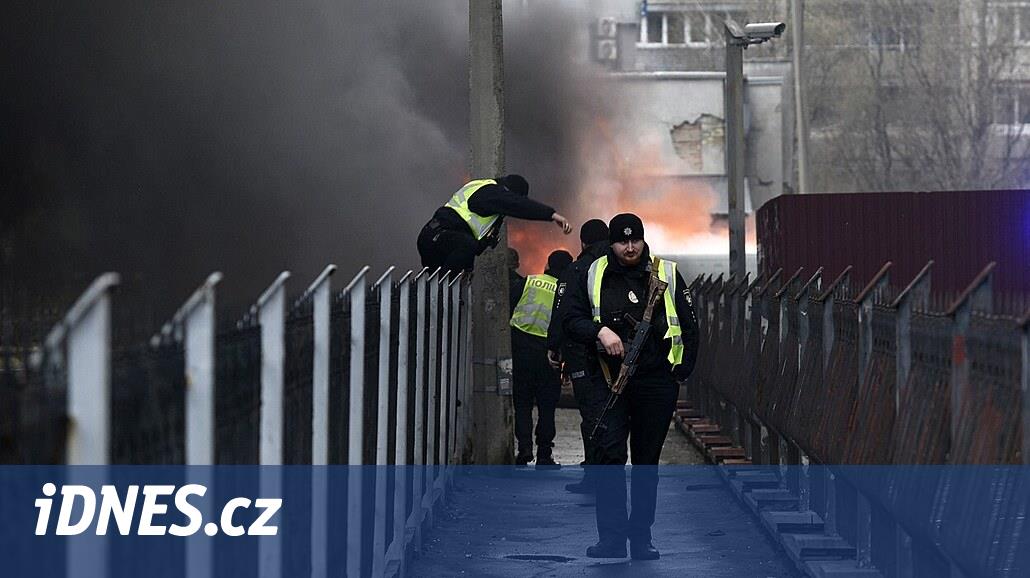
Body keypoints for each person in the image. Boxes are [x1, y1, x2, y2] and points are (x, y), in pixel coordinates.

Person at [561, 213, 700, 560]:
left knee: (645, 463)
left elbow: (690, 324)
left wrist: (679, 373)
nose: (630, 247)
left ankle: (641, 537)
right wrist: (599, 332)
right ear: (611, 244)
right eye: (623, 242)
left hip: (654, 383)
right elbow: (570, 318)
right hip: (607, 383)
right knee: (609, 457)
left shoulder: (664, 273)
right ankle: (611, 539)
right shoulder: (592, 273)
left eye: (635, 240)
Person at [545, 219, 611, 493]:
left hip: (583, 354)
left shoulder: (576, 269)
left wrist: (554, 346)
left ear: (582, 243)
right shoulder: (620, 265)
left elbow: (562, 312)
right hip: (617, 354)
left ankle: (595, 477)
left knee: (592, 417)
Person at [417, 175, 572, 274]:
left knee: (436, 288)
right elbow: (517, 205)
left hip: (435, 239)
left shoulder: (482, 187)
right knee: (443, 288)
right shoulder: (493, 192)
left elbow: (474, 245)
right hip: (440, 237)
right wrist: (551, 215)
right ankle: (443, 292)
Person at [509, 249, 574, 467]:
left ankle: (524, 448)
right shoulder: (567, 292)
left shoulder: (528, 281)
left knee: (522, 403)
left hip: (521, 351)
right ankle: (544, 454)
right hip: (550, 355)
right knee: (547, 407)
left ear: (547, 265)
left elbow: (508, 309)